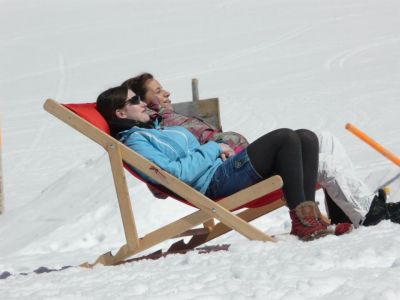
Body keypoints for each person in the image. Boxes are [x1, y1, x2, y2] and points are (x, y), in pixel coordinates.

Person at [121, 73, 400, 228]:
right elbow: (166, 177)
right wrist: (217, 147)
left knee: (321, 138)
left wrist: (223, 144)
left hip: (238, 166)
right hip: (226, 177)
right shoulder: (157, 129)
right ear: (137, 105)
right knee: (317, 157)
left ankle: (348, 212)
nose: (166, 93)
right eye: (156, 92)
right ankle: (366, 214)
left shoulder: (167, 125)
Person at [96, 86, 332, 241]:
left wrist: (216, 151)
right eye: (135, 100)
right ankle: (302, 221)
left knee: (306, 137)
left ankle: (310, 218)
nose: (143, 103)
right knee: (285, 137)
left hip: (220, 169)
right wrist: (213, 149)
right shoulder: (136, 143)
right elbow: (174, 174)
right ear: (121, 113)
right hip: (214, 183)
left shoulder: (154, 129)